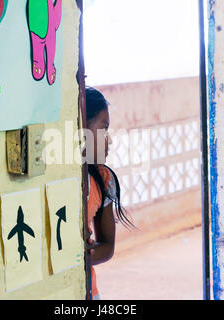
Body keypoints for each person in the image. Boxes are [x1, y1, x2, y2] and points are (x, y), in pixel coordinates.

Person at [84, 86, 135, 300]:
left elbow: (107, 246)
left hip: (88, 291)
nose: (109, 140)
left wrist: (83, 256)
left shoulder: (103, 180)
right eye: (104, 129)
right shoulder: (57, 182)